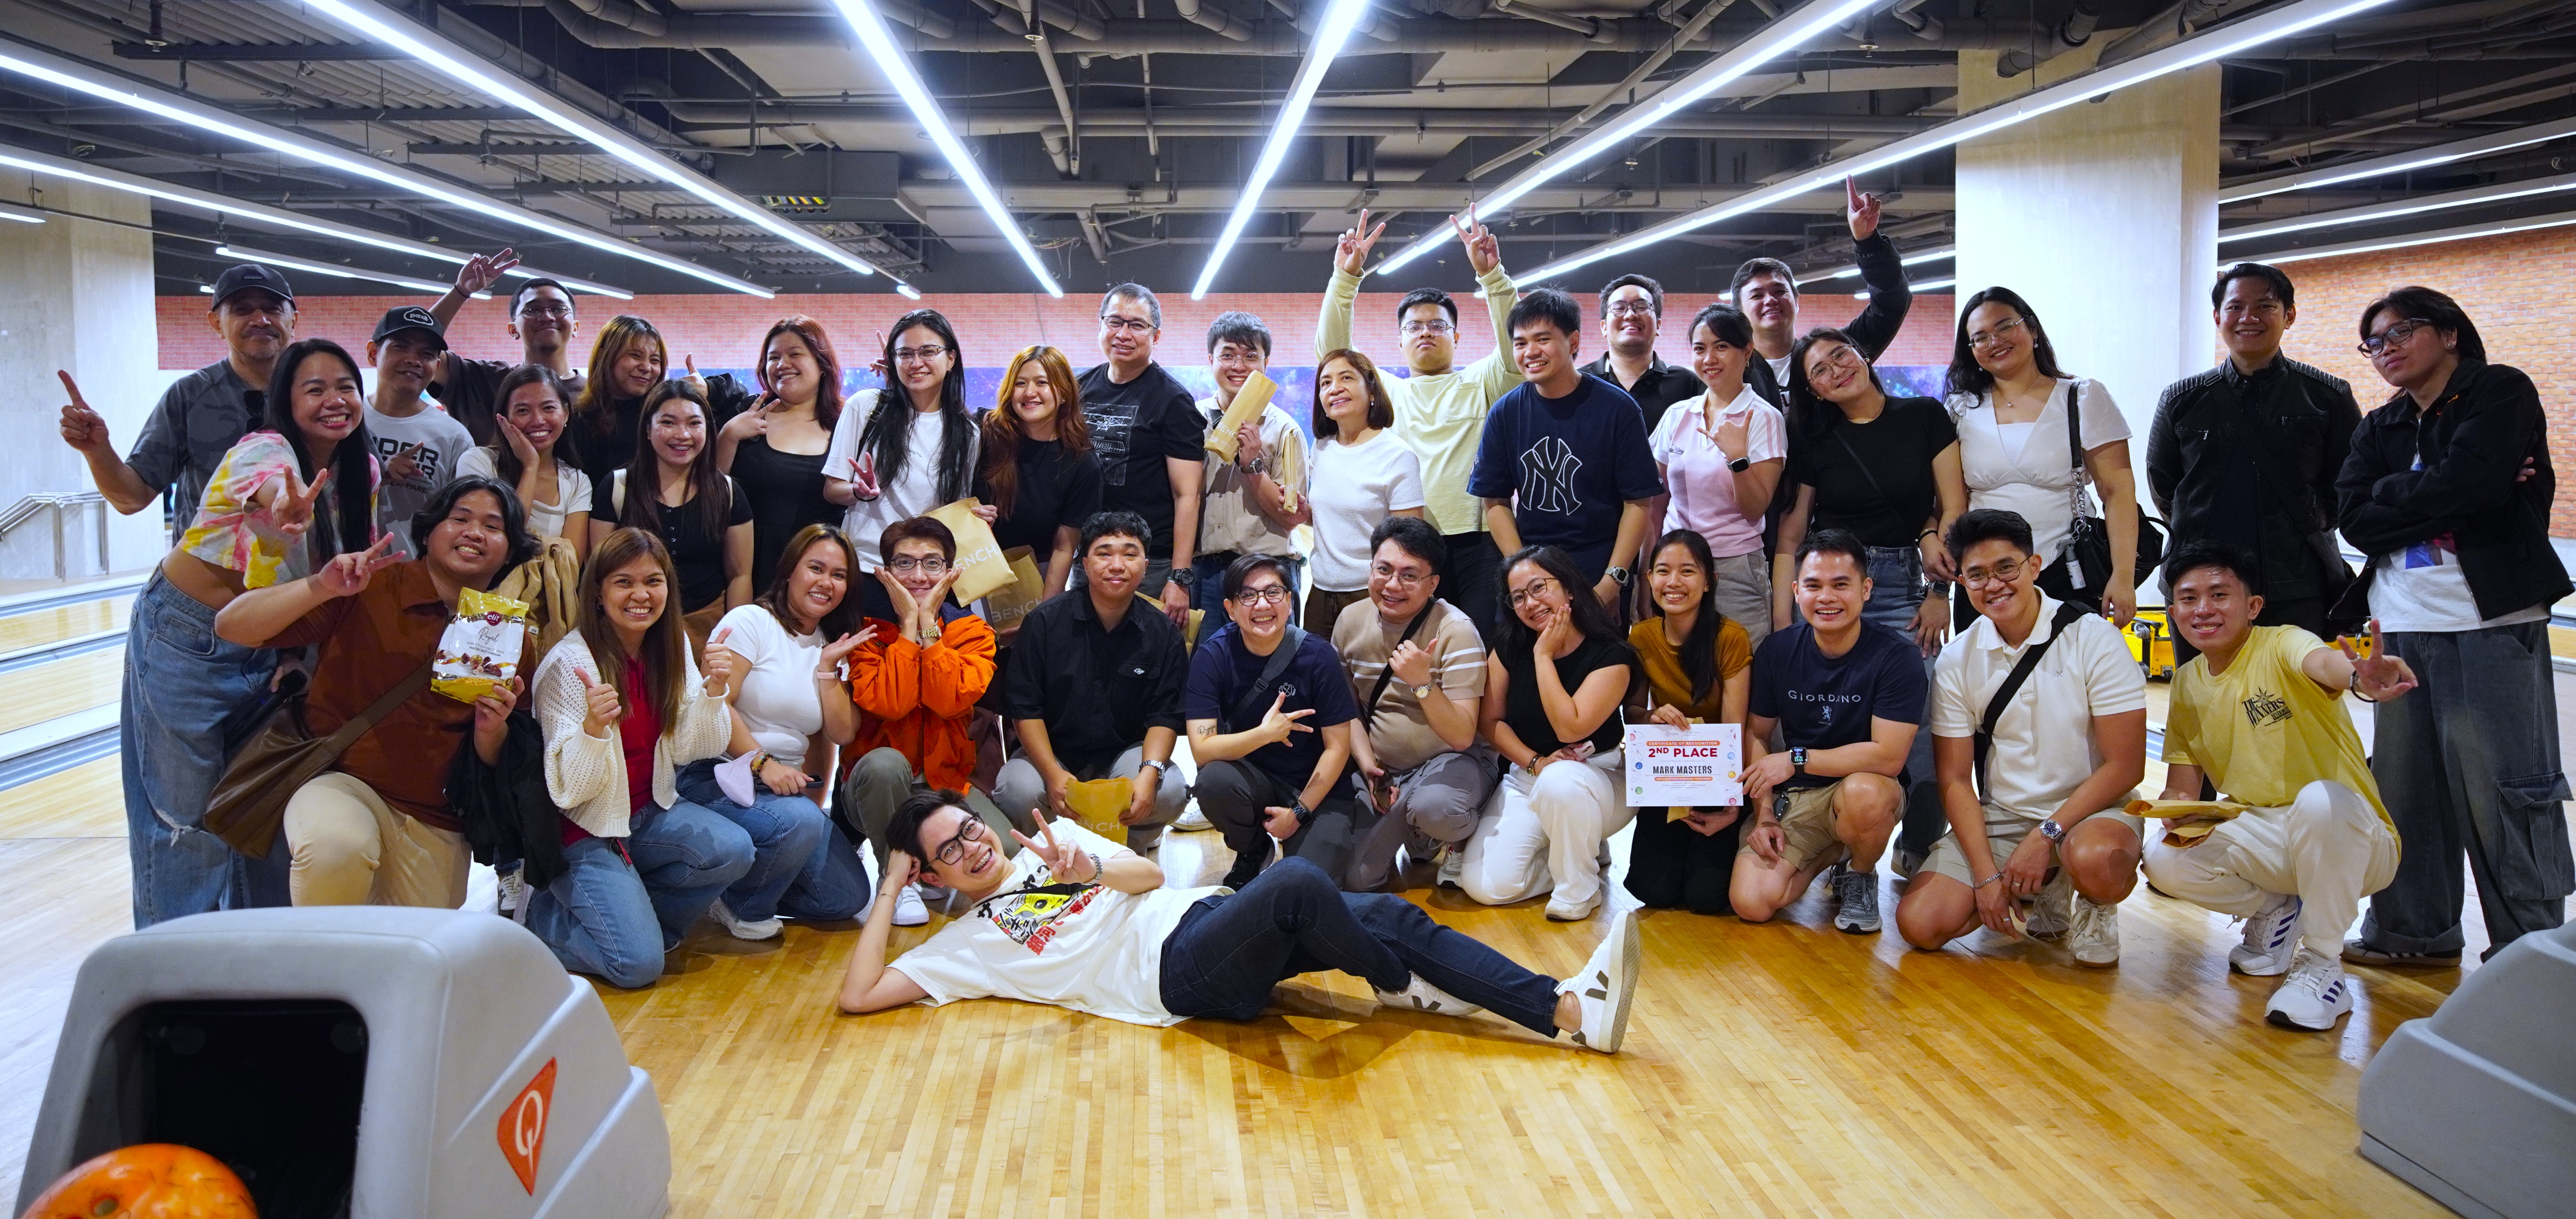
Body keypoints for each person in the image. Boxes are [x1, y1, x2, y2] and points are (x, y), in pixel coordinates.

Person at [834, 791, 1645, 1055]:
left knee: (1392, 910)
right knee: (1296, 880)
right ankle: (1395, 979)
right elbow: (859, 994)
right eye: (948, 850)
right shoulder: (969, 941)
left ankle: (1566, 1010)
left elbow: (1151, 876)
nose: (972, 846)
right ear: (932, 873)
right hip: (1176, 978)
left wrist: (1088, 868)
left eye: (968, 828)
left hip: (1204, 919)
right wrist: (887, 885)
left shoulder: (1056, 843)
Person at [109, 335, 381, 926]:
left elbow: (320, 574)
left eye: (346, 387)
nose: (335, 399)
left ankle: (250, 956)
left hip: (264, 647)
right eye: (315, 389)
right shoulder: (265, 449)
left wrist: (298, 654)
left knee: (251, 809)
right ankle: (175, 966)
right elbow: (274, 489)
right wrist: (286, 506)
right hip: (186, 638)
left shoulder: (362, 471)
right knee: (184, 822)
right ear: (286, 399)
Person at [2338, 288, 2572, 966]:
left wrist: (2399, 491)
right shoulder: (2380, 425)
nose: (2385, 349)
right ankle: (2411, 934)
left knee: (2505, 790)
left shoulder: (2499, 391)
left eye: (2399, 332)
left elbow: (2478, 485)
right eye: (2373, 341)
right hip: (2399, 622)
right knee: (2406, 792)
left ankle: (2529, 952)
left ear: (2447, 333)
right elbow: (2354, 518)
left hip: (2488, 619)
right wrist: (2447, 489)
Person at [211, 477, 536, 908]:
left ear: (510, 551)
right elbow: (230, 626)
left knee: (416, 948)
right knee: (336, 847)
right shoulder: (367, 586)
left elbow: (498, 761)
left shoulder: (509, 638)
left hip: (437, 818)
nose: (474, 532)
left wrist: (491, 729)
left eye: (493, 527)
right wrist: (321, 586)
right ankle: (317, 957)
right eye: (460, 519)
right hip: (340, 782)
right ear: (429, 533)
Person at [2145, 540, 2417, 1031]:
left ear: (2252, 606)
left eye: (2219, 594)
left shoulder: (2283, 643)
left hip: (2354, 837)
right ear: (2173, 612)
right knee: (2163, 858)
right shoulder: (2186, 683)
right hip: (2269, 835)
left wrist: (2360, 678)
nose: (2203, 608)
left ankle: (2322, 965)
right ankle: (2276, 912)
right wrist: (2171, 812)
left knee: (2319, 801)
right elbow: (2181, 789)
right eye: (2188, 598)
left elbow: (2324, 665)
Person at [1895, 510, 2145, 964]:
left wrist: (2045, 835)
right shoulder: (1957, 658)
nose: (1993, 585)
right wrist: (1986, 877)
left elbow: (2126, 766)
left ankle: (2092, 899)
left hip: (2092, 811)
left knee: (2096, 859)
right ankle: (2048, 880)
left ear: (2034, 566)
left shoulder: (2094, 638)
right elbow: (1955, 779)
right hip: (2005, 816)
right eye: (1977, 575)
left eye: (2006, 568)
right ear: (1962, 583)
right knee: (1920, 924)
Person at [523, 527, 758, 984]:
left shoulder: (669, 648)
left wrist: (713, 690)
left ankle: (644, 924)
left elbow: (694, 748)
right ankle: (541, 925)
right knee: (636, 967)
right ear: (598, 592)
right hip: (584, 830)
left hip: (646, 813)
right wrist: (592, 731)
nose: (641, 595)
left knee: (733, 850)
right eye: (623, 582)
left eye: (653, 581)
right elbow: (570, 793)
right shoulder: (568, 665)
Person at [1775, 325, 1963, 873]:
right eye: (1820, 370)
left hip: (1906, 585)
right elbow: (1791, 536)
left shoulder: (1923, 415)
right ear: (1812, 390)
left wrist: (1939, 592)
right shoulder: (1814, 440)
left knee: (1923, 719)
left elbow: (1953, 506)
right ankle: (1844, 839)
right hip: (1833, 587)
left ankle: (1919, 844)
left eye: (1841, 355)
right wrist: (1786, 623)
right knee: (1835, 719)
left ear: (1860, 354)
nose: (1836, 370)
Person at [2147, 263, 2362, 661]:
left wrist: (2312, 518)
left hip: (2295, 582)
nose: (2248, 318)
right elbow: (2165, 487)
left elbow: (2348, 485)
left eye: (2265, 306)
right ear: (2218, 317)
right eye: (2235, 307)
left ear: (2289, 315)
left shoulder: (2328, 396)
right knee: (2203, 693)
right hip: (2199, 585)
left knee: (2290, 693)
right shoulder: (2181, 399)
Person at [1318, 209, 1520, 632]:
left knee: (1478, 644)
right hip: (1409, 546)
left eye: (1437, 325)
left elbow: (1513, 349)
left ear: (1456, 337)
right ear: (1400, 341)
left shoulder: (1482, 380)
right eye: (1414, 327)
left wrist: (1493, 277)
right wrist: (1345, 278)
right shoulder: (1386, 391)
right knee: (1413, 646)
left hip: (1478, 542)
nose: (1426, 332)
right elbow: (1334, 354)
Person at [685, 524, 873, 941]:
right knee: (799, 821)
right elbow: (718, 705)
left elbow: (840, 733)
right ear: (789, 571)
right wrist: (763, 762)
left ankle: (730, 881)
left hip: (781, 792)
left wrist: (827, 670)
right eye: (816, 568)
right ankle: (742, 905)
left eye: (839, 575)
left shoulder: (829, 644)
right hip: (717, 773)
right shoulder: (751, 621)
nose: (826, 582)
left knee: (847, 897)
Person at [1730, 529, 1924, 934]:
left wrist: (1797, 758)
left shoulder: (1897, 656)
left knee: (1864, 795)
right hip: (1799, 795)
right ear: (1796, 592)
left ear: (1866, 590)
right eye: (1814, 586)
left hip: (1864, 788)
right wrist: (1764, 814)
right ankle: (1836, 850)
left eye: (1841, 585)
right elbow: (1757, 734)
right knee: (1751, 902)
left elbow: (1888, 756)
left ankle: (1860, 872)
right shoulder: (1777, 651)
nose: (1827, 597)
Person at [839, 517, 1019, 926]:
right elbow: (892, 704)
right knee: (885, 764)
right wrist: (907, 628)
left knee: (1007, 851)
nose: (919, 575)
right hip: (877, 787)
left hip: (944, 786)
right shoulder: (865, 635)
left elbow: (948, 699)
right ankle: (896, 879)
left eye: (932, 564)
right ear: (884, 573)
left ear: (951, 572)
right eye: (904, 563)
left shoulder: (973, 632)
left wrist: (928, 628)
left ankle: (931, 867)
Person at [991, 511, 1191, 852]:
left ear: (1145, 566)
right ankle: (1056, 854)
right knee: (1017, 790)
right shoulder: (1043, 623)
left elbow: (1166, 715)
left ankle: (1126, 851)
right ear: (1084, 563)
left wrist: (1150, 772)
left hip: (1126, 753)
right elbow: (1025, 710)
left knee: (1169, 789)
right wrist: (1052, 774)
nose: (1117, 565)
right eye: (1104, 553)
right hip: (1055, 752)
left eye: (1130, 554)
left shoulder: (1163, 633)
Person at [1459, 546, 1638, 922]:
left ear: (1569, 588)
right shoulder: (1509, 646)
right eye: (1518, 597)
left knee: (1562, 780)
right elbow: (1490, 722)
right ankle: (1578, 853)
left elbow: (1570, 727)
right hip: (1529, 776)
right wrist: (1536, 762)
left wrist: (1544, 657)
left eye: (1539, 588)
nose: (1530, 603)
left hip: (1601, 780)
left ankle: (1579, 889)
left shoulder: (1612, 654)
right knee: (1485, 887)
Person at [1943, 288, 2141, 625]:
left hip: (2067, 567)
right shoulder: (1960, 408)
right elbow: (1951, 503)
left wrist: (2123, 576)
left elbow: (2118, 492)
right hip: (1983, 577)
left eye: (2005, 327)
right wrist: (1938, 590)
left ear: (2032, 329)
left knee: (2069, 658)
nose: (1995, 342)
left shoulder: (2082, 397)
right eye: (1980, 338)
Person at [59, 262, 296, 540]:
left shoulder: (320, 394)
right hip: (206, 567)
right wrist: (97, 451)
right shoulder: (190, 396)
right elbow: (132, 499)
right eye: (242, 310)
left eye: (273, 309)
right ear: (216, 324)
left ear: (293, 321)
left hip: (308, 565)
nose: (260, 320)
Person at [1468, 288, 1660, 615]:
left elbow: (1639, 503)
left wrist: (1612, 582)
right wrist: (1522, 572)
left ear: (1573, 342)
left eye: (1542, 339)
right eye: (1520, 343)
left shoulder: (1618, 409)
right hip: (1532, 567)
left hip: (1598, 566)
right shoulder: (1505, 413)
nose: (1531, 352)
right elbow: (1495, 501)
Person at [1334, 517, 1494, 893]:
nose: (1392, 585)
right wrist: (1369, 766)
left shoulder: (1456, 630)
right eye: (1384, 570)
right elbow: (1347, 710)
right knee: (1357, 879)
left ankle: (1457, 832)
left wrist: (1422, 682)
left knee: (1435, 808)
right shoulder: (1350, 621)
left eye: (1410, 575)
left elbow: (1461, 735)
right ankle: (1417, 832)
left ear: (1433, 584)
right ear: (1370, 567)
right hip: (1386, 769)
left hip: (1453, 763)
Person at [1188, 555, 1364, 890]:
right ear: (1230, 609)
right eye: (1248, 595)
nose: (1262, 604)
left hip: (1318, 788)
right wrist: (1265, 734)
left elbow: (1338, 748)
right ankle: (1253, 848)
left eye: (1273, 592)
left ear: (1289, 600)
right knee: (1212, 782)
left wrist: (1299, 812)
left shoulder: (1319, 656)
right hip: (1254, 781)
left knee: (1307, 886)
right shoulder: (1212, 656)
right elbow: (1201, 750)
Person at [1622, 530, 1754, 916]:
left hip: (1718, 775)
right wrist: (1653, 716)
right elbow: (1633, 713)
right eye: (1663, 571)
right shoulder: (1642, 635)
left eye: (1688, 571)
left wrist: (1731, 806)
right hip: (1669, 773)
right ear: (1650, 579)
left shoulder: (1731, 637)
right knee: (1654, 890)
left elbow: (1734, 728)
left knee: (1706, 897)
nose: (1674, 582)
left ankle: (1737, 834)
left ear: (1709, 580)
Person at [825, 311, 981, 621]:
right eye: (905, 354)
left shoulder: (967, 433)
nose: (916, 363)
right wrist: (859, 491)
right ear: (893, 361)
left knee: (929, 648)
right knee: (869, 653)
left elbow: (952, 511)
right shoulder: (866, 406)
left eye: (928, 352)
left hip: (928, 580)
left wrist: (974, 514)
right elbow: (832, 489)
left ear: (951, 359)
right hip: (869, 571)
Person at [1651, 303, 1786, 649]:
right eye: (1700, 349)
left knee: (1739, 667)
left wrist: (1737, 458)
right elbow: (1655, 501)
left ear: (1747, 351)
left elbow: (1755, 509)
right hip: (1676, 565)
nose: (1709, 358)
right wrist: (1646, 571)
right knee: (1680, 669)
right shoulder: (1678, 414)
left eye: (1721, 346)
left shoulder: (1763, 417)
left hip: (1734, 568)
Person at [590, 380, 754, 651]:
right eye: (668, 423)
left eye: (694, 423)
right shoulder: (617, 487)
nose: (683, 435)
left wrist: (734, 642)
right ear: (647, 429)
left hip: (706, 629)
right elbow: (599, 572)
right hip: (632, 626)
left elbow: (740, 576)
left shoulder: (727, 492)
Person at [1077, 285, 1205, 628]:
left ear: (1156, 335)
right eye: (1115, 322)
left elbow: (1188, 495)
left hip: (1149, 563)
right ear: (1100, 326)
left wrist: (1180, 577)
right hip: (1088, 555)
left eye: (1137, 325)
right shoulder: (1079, 388)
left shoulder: (1173, 401)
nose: (1123, 334)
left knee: (1142, 655)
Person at [1732, 180, 1913, 405]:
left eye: (1780, 291)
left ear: (1797, 301)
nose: (1770, 300)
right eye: (1757, 295)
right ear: (1739, 313)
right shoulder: (1731, 373)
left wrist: (1869, 242)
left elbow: (1892, 300)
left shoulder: (1839, 354)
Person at [1192, 311, 1310, 628]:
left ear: (1266, 364)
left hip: (1269, 571)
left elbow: (1292, 517)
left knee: (1275, 658)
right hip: (1205, 571)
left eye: (1250, 356)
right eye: (1228, 355)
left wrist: (1253, 465)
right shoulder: (1190, 419)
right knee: (1209, 658)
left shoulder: (1285, 429)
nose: (1239, 366)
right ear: (1211, 360)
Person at [715, 317, 847, 591]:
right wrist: (728, 436)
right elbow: (712, 493)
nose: (782, 364)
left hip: (821, 577)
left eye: (795, 354)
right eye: (773, 357)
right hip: (748, 571)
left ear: (822, 364)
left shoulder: (847, 422)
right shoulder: (747, 412)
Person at [1305, 349, 1426, 629]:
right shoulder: (1321, 448)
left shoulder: (1397, 455)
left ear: (1372, 391)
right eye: (1326, 383)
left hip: (1372, 594)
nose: (1335, 388)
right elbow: (1336, 518)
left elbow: (1407, 542)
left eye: (1346, 378)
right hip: (1321, 592)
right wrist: (1305, 513)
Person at [976, 344, 1102, 607]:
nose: (1029, 393)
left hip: (1032, 580)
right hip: (969, 570)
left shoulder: (1082, 464)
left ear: (1064, 393)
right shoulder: (984, 433)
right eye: (1020, 383)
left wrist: (1044, 613)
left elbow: (1064, 548)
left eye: (1042, 383)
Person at [425, 249, 585, 445]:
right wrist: (460, 292)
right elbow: (419, 348)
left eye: (559, 309)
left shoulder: (595, 393)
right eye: (532, 310)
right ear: (513, 330)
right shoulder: (482, 380)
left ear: (575, 327)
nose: (547, 316)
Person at [362, 306, 476, 561]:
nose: (414, 360)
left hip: (415, 572)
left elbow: (462, 519)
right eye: (401, 347)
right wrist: (377, 475)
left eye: (427, 354)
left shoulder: (454, 437)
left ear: (436, 366)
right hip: (338, 569)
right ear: (373, 353)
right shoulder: (346, 420)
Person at [458, 364, 593, 561]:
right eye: (523, 411)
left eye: (548, 408)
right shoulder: (478, 462)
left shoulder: (577, 482)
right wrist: (531, 466)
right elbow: (500, 536)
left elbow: (570, 562)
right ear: (504, 418)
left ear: (565, 413)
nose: (538, 420)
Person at [1584, 274, 1705, 440]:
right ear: (1604, 327)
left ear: (1658, 325)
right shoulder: (1580, 383)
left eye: (1642, 307)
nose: (1630, 315)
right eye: (1619, 308)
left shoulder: (1688, 384)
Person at [566, 315, 673, 486]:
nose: (646, 367)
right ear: (604, 356)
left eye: (655, 360)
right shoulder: (577, 420)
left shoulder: (664, 417)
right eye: (636, 356)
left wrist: (709, 388)